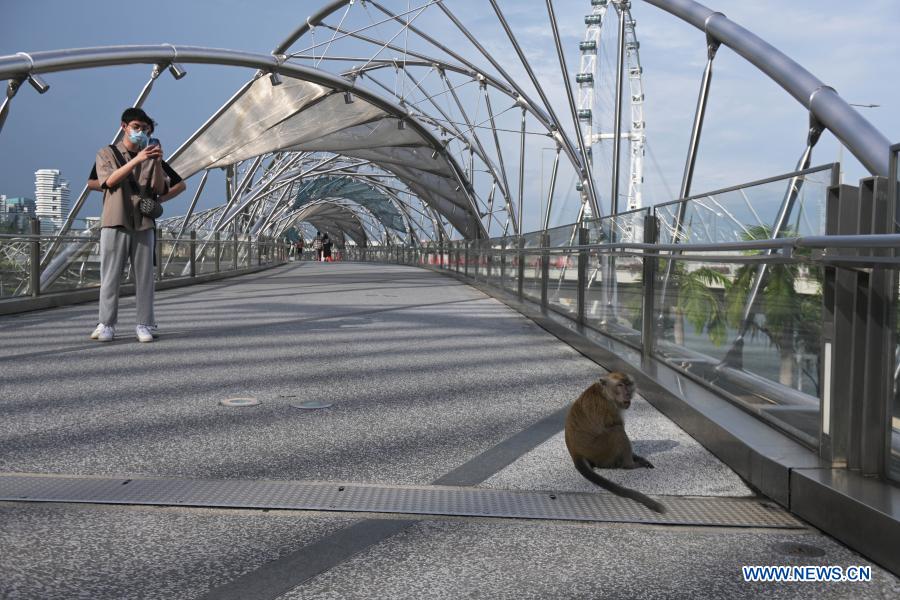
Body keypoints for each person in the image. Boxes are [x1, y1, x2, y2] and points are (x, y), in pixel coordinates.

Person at [89, 107, 185, 343]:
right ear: (124, 126)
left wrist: (158, 163)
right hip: (115, 219)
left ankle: (144, 324)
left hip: (143, 223)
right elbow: (108, 180)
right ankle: (106, 324)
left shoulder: (151, 156)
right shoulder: (106, 153)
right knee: (110, 275)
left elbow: (160, 188)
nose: (140, 132)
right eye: (136, 127)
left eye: (144, 129)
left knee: (145, 277)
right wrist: (138, 160)